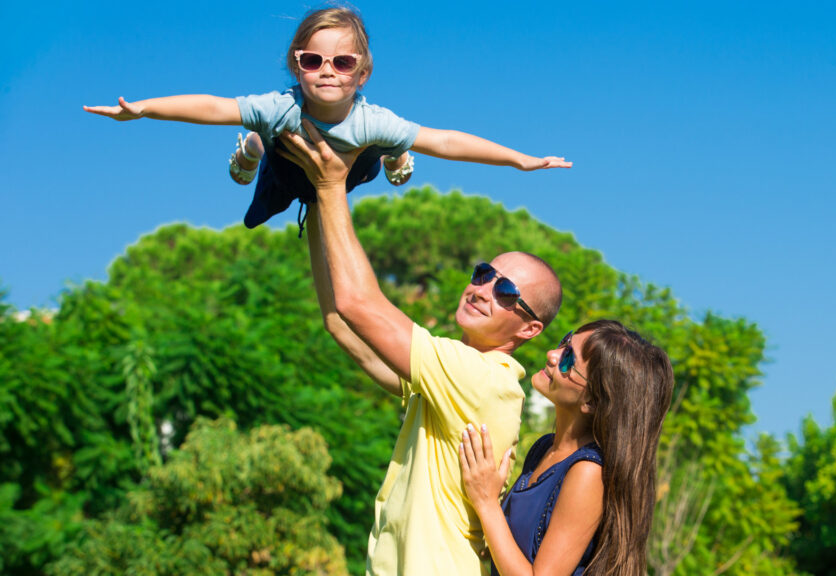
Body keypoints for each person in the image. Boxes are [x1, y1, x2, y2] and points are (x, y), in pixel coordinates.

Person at [278, 118, 564, 575]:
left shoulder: (480, 379)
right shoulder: (450, 380)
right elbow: (341, 321)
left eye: (506, 291)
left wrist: (331, 185)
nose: (483, 289)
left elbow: (359, 303)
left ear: (529, 330)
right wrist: (313, 200)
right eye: (483, 273)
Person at [83, 6, 571, 235]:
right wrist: (143, 108)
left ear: (362, 72)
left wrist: (517, 160)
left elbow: (444, 141)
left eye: (342, 63)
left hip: (353, 165)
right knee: (261, 190)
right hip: (287, 165)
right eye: (313, 60)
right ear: (297, 65)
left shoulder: (369, 117)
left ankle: (395, 154)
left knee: (384, 143)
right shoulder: (282, 104)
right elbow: (211, 105)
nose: (327, 72)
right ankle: (249, 149)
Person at [459, 320, 674, 576]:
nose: (552, 355)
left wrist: (486, 501)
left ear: (593, 401)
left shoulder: (588, 472)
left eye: (568, 359)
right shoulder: (544, 449)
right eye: (565, 343)